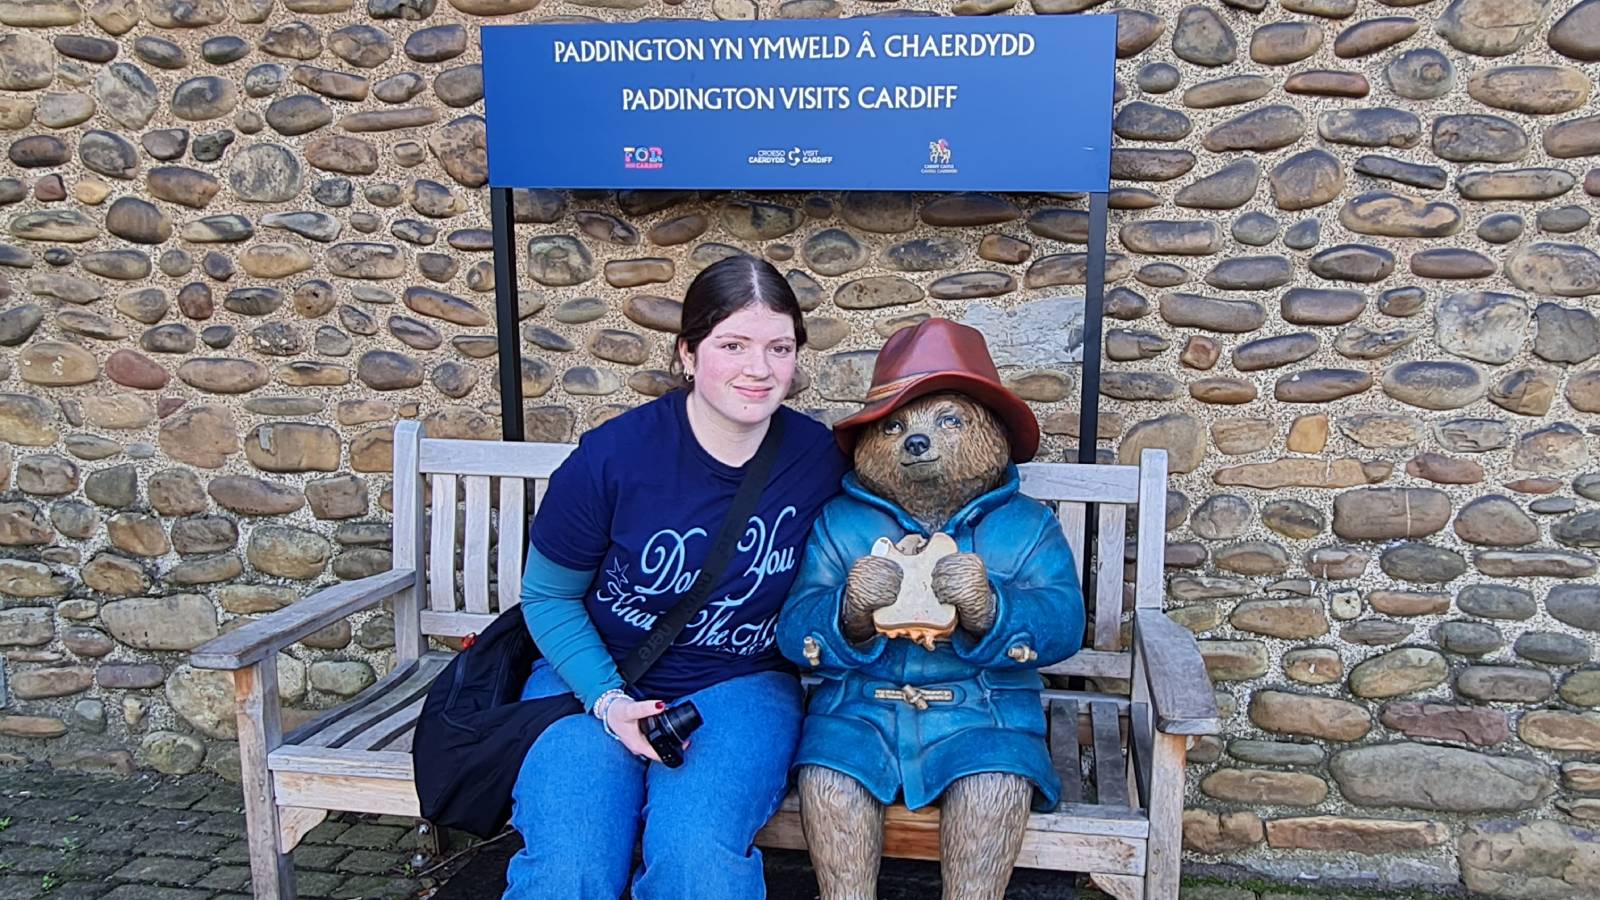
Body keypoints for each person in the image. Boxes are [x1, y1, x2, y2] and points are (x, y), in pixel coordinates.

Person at [505, 254, 849, 900]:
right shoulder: (614, 457)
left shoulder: (819, 460)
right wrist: (609, 702)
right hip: (590, 680)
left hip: (737, 683)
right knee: (567, 866)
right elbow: (548, 597)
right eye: (733, 345)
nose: (759, 368)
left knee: (697, 861)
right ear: (688, 354)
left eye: (779, 348)